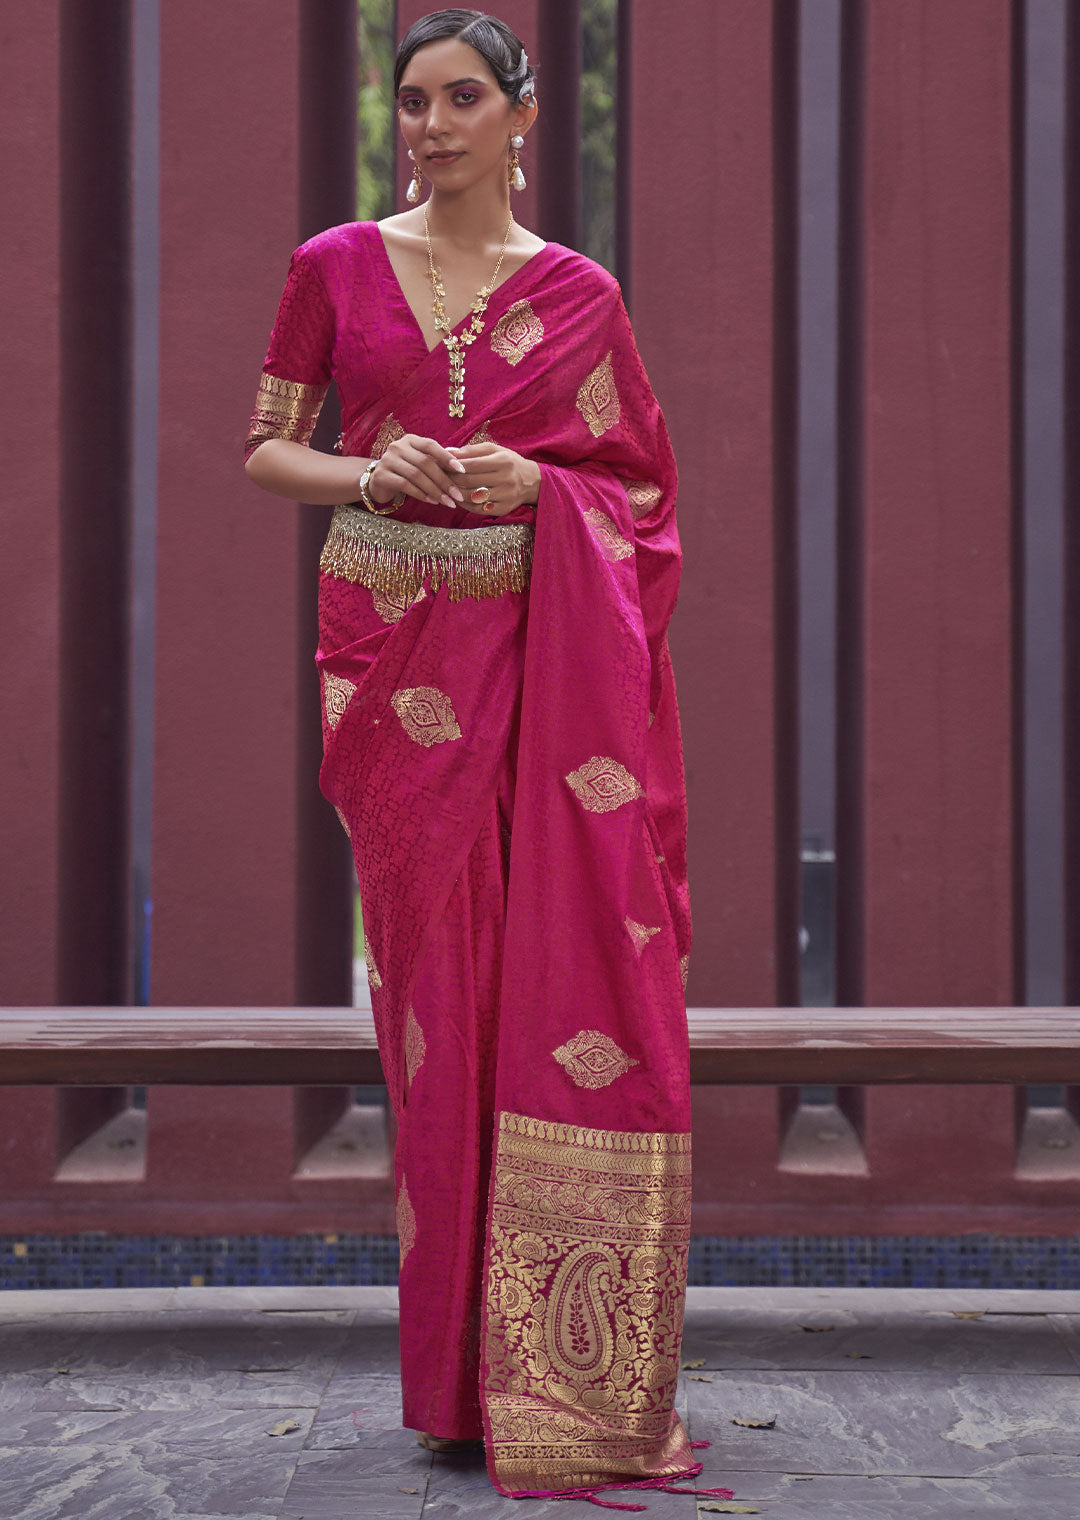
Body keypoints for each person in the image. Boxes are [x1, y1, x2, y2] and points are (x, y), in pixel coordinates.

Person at [244, 9, 733, 1509]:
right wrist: (362, 463)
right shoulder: (335, 268)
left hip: (547, 669)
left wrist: (542, 485)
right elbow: (266, 449)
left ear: (523, 116)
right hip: (396, 674)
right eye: (412, 99)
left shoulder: (580, 297)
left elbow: (641, 497)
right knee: (437, 1011)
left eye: (463, 97)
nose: (433, 122)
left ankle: (569, 1389)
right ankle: (459, 1384)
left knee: (562, 983)